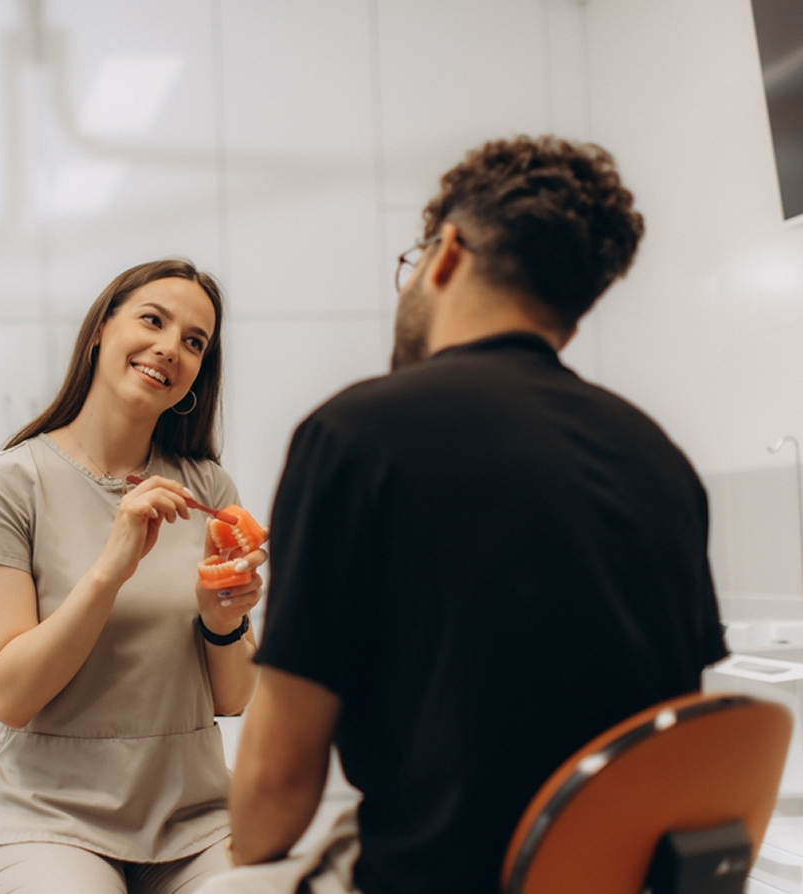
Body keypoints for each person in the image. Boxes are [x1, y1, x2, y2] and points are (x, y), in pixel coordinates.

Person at [203, 136, 728, 894]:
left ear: (444, 253)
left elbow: (276, 797)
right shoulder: (662, 461)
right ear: (571, 322)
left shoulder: (353, 436)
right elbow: (672, 744)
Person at [0, 259, 267, 894]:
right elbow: (10, 694)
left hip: (192, 821)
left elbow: (231, 698)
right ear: (100, 330)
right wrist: (112, 567)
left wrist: (222, 620)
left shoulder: (207, 488)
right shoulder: (7, 485)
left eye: (194, 341)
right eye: (154, 320)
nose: (169, 348)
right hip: (45, 820)